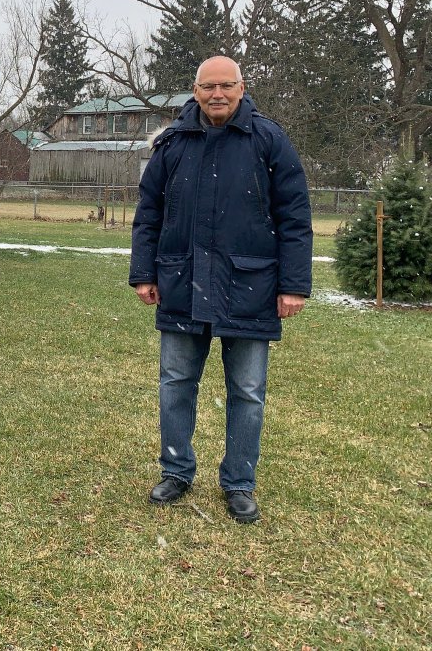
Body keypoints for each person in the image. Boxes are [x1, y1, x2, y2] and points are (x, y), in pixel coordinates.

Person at [129, 56, 312, 524]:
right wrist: (144, 272)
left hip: (250, 285)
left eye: (225, 86)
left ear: (241, 87)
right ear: (195, 91)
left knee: (248, 390)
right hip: (181, 282)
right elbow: (149, 211)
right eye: (208, 87)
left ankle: (239, 481)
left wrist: (293, 285)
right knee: (175, 384)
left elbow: (295, 217)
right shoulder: (172, 142)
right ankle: (176, 469)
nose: (217, 94)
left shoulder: (268, 139)